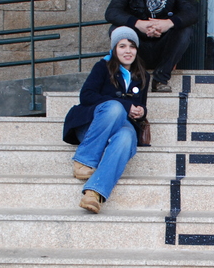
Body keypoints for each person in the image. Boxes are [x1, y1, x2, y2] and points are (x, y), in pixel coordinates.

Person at [62, 27, 149, 214]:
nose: (127, 51)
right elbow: (86, 96)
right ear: (114, 49)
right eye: (122, 46)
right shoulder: (102, 67)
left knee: (126, 137)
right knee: (115, 107)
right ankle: (84, 161)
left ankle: (94, 194)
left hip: (122, 126)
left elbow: (141, 104)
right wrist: (125, 106)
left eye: (132, 47)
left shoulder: (143, 74)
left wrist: (141, 111)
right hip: (95, 126)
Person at [104, 0, 197, 93]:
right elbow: (112, 12)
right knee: (117, 30)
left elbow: (192, 13)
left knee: (185, 30)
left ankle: (160, 79)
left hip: (163, 48)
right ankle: (131, 77)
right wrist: (138, 24)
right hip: (138, 46)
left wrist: (168, 23)